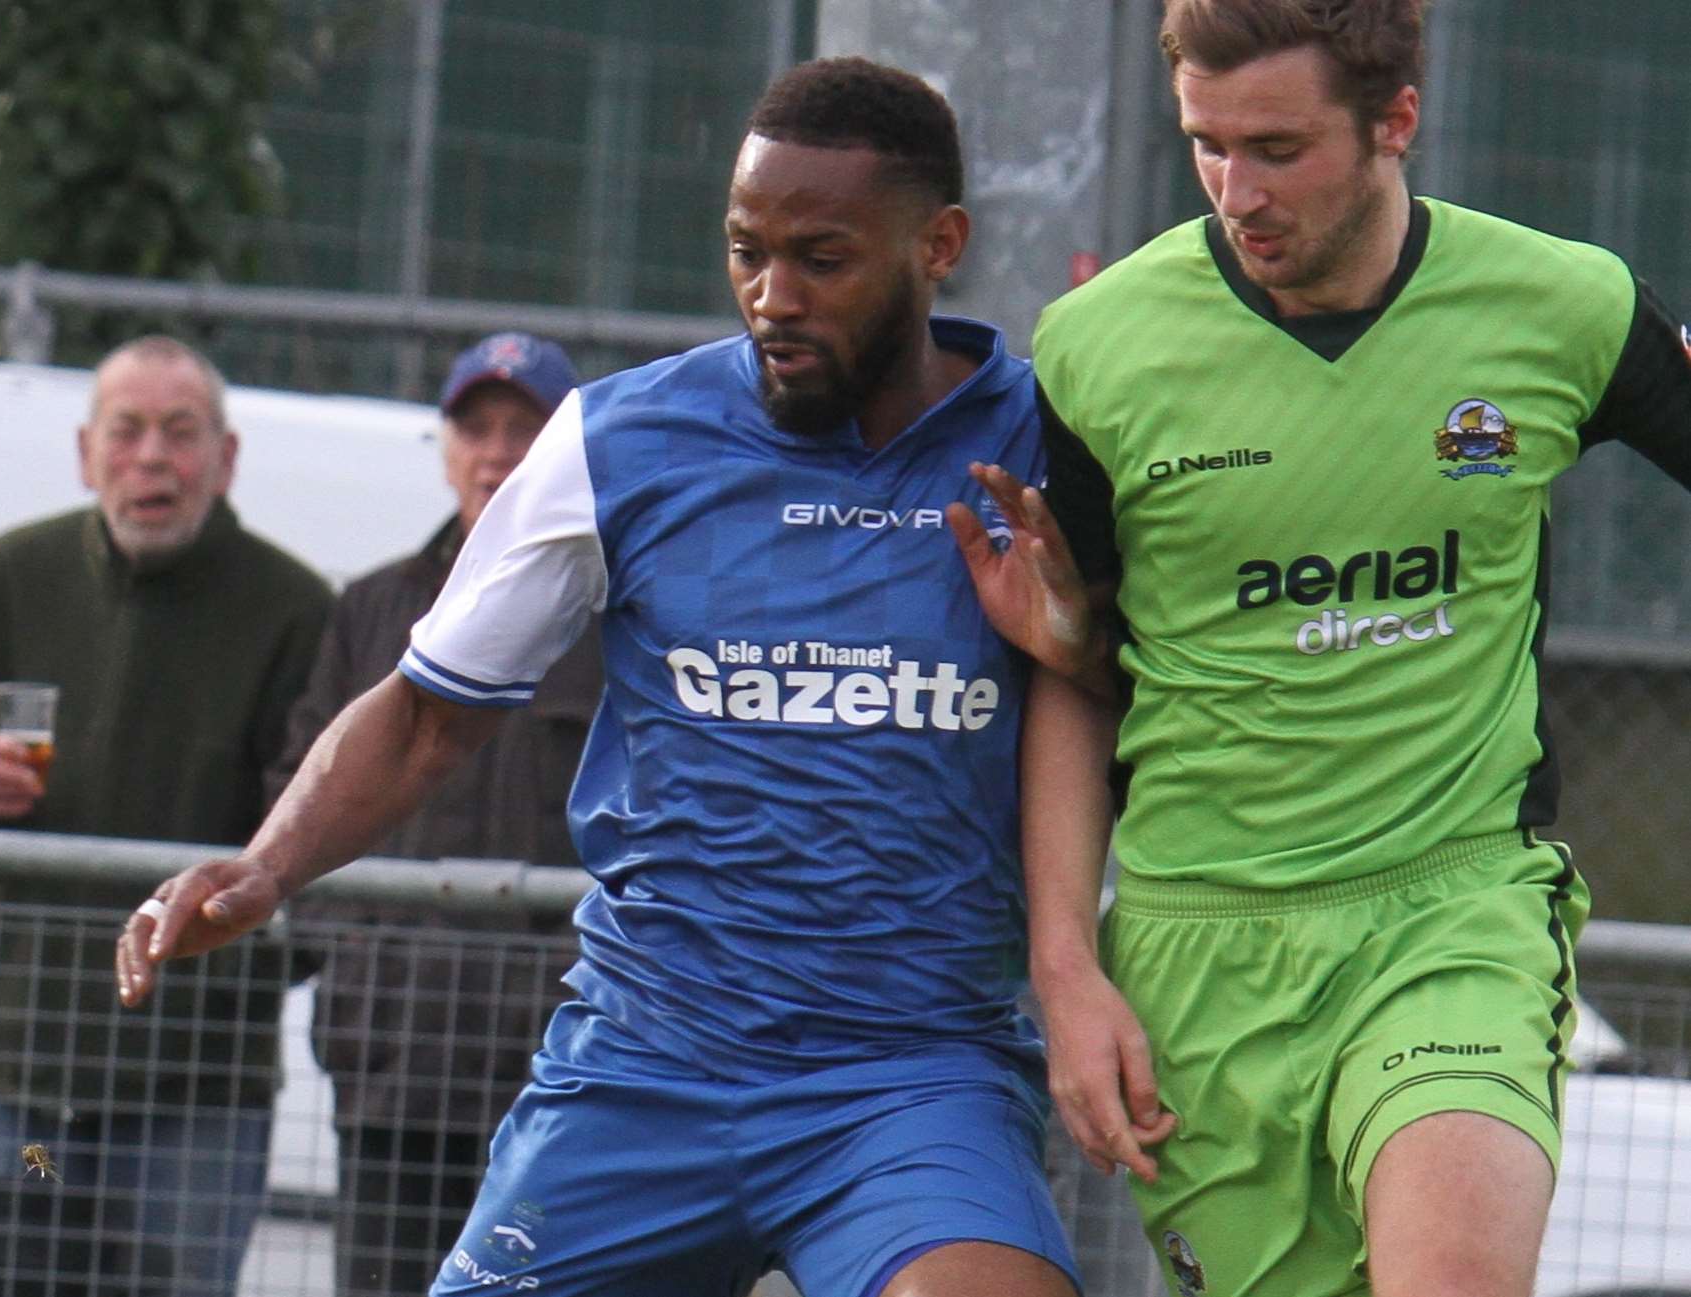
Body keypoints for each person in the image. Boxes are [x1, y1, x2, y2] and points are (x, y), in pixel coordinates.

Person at [118, 56, 1109, 1297]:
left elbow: (1152, 695)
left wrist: (1086, 650)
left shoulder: (1047, 442)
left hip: (911, 1074)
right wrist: (267, 862)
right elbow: (429, 712)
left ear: (939, 245)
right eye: (745, 250)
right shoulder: (618, 437)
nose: (772, 296)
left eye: (822, 257)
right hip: (650, 1061)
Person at [952, 3, 1691, 1296]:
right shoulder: (1095, 349)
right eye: (1206, 146)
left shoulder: (1558, 305)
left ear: (1393, 122)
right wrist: (1064, 969)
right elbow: (1066, 674)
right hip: (1201, 949)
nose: (1238, 193)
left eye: (1278, 149)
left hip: (1449, 907)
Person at [0, 335, 334, 1294]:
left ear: (226, 459)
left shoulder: (295, 611)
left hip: (195, 1098)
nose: (153, 458)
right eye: (129, 432)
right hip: (30, 1086)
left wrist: (259, 954)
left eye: (181, 434)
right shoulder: (7, 579)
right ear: (85, 450)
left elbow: (332, 826)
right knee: (16, 1283)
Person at [268, 331, 602, 1297]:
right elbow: (299, 789)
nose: (496, 450)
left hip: (556, 1081)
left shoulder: (614, 617)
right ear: (445, 445)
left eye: (523, 428)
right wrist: (359, 952)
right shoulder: (371, 612)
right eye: (475, 426)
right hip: (392, 1072)